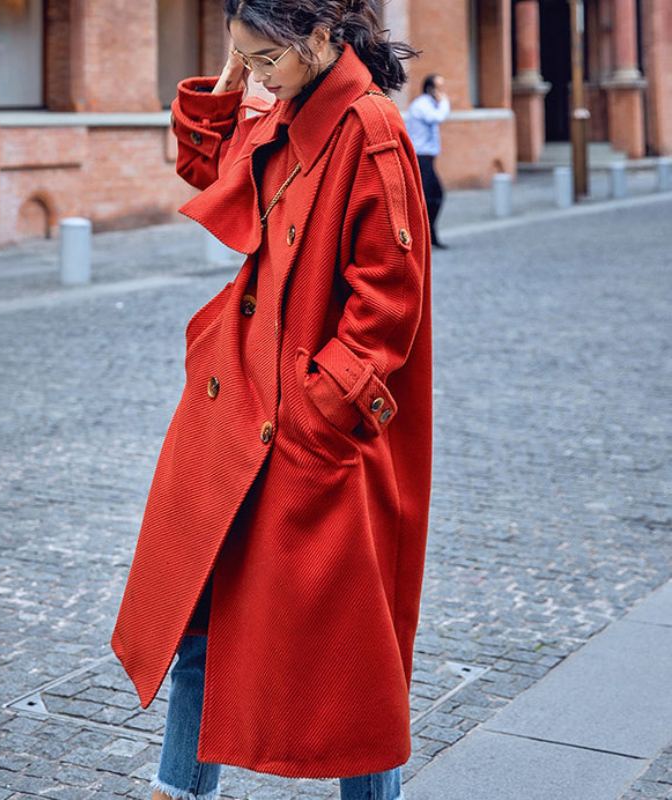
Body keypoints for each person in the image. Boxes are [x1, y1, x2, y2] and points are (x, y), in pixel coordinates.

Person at [110, 1, 434, 799]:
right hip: (237, 408)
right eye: (245, 59)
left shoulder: (369, 127)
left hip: (305, 429)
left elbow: (389, 298)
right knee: (199, 614)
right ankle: (178, 787)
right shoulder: (290, 107)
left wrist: (321, 407)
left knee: (348, 647)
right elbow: (210, 173)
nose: (258, 75)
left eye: (265, 60)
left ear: (323, 37)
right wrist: (230, 82)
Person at [405, 73, 451, 249]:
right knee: (428, 197)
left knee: (434, 197)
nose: (442, 91)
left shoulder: (430, 104)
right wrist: (445, 102)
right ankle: (422, 237)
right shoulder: (422, 105)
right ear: (430, 88)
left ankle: (429, 234)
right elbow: (437, 118)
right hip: (420, 157)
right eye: (439, 87)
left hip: (427, 157)